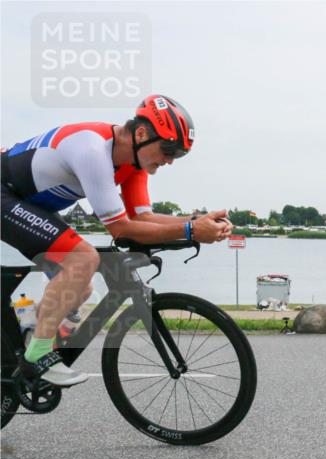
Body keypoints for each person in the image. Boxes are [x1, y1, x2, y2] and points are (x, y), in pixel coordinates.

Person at [1, 95, 232, 386]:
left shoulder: (132, 163)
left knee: (80, 285)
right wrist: (190, 232)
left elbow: (143, 219)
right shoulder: (92, 149)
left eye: (179, 155)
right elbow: (121, 229)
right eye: (169, 149)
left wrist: (196, 223)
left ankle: (19, 346)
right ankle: (37, 356)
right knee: (82, 258)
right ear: (141, 133)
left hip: (25, 202)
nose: (171, 160)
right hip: (4, 194)